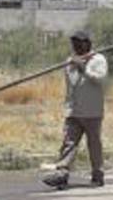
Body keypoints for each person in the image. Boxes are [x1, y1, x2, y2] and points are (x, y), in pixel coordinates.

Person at [42, 30, 108, 190]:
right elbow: (70, 87)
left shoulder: (98, 60)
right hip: (73, 111)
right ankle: (62, 174)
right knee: (68, 143)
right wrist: (73, 65)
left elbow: (100, 79)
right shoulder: (69, 61)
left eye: (80, 42)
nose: (77, 45)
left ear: (88, 43)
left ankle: (97, 176)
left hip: (92, 112)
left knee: (94, 145)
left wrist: (83, 68)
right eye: (74, 42)